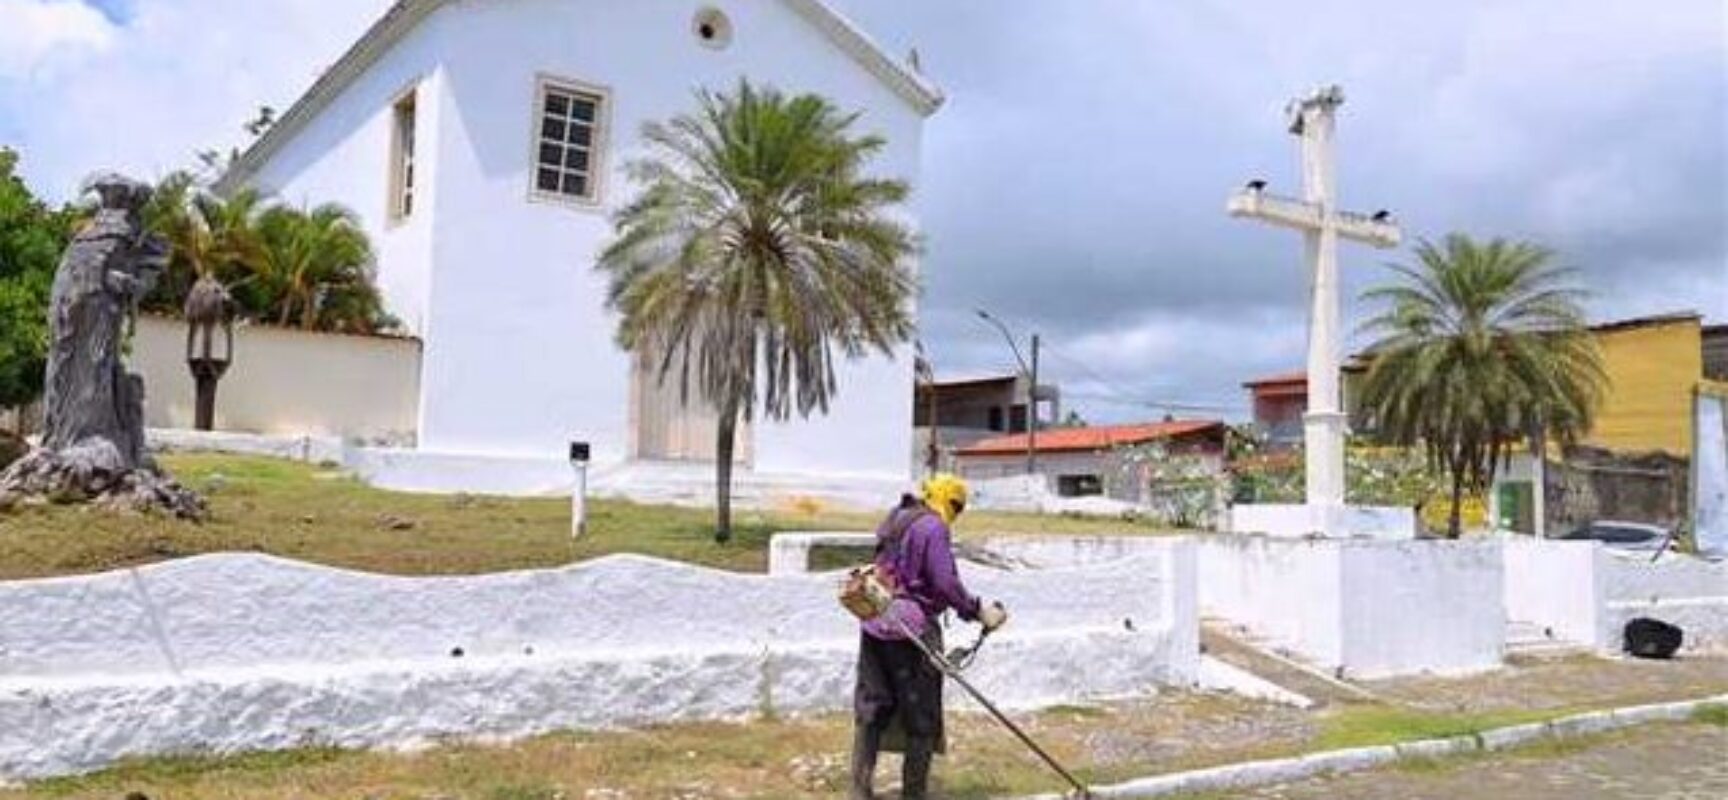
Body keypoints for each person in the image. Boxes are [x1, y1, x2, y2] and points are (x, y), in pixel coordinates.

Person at [850, 474, 1007, 799]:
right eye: (958, 508)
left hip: (876, 620)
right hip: (912, 630)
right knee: (921, 718)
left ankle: (859, 791)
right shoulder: (933, 527)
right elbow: (944, 582)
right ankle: (914, 794)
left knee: (872, 710)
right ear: (950, 501)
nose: (956, 515)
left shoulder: (898, 517)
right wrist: (976, 610)